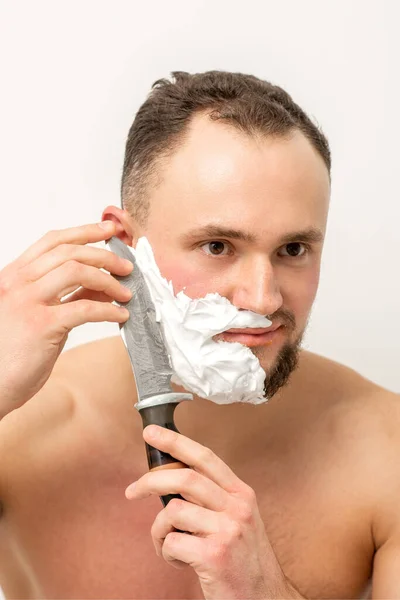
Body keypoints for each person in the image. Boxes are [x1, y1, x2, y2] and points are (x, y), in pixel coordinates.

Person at [0, 70, 398, 600]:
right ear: (125, 246)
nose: (263, 299)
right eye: (217, 246)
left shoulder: (386, 450)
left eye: (293, 250)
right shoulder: (18, 433)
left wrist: (266, 591)